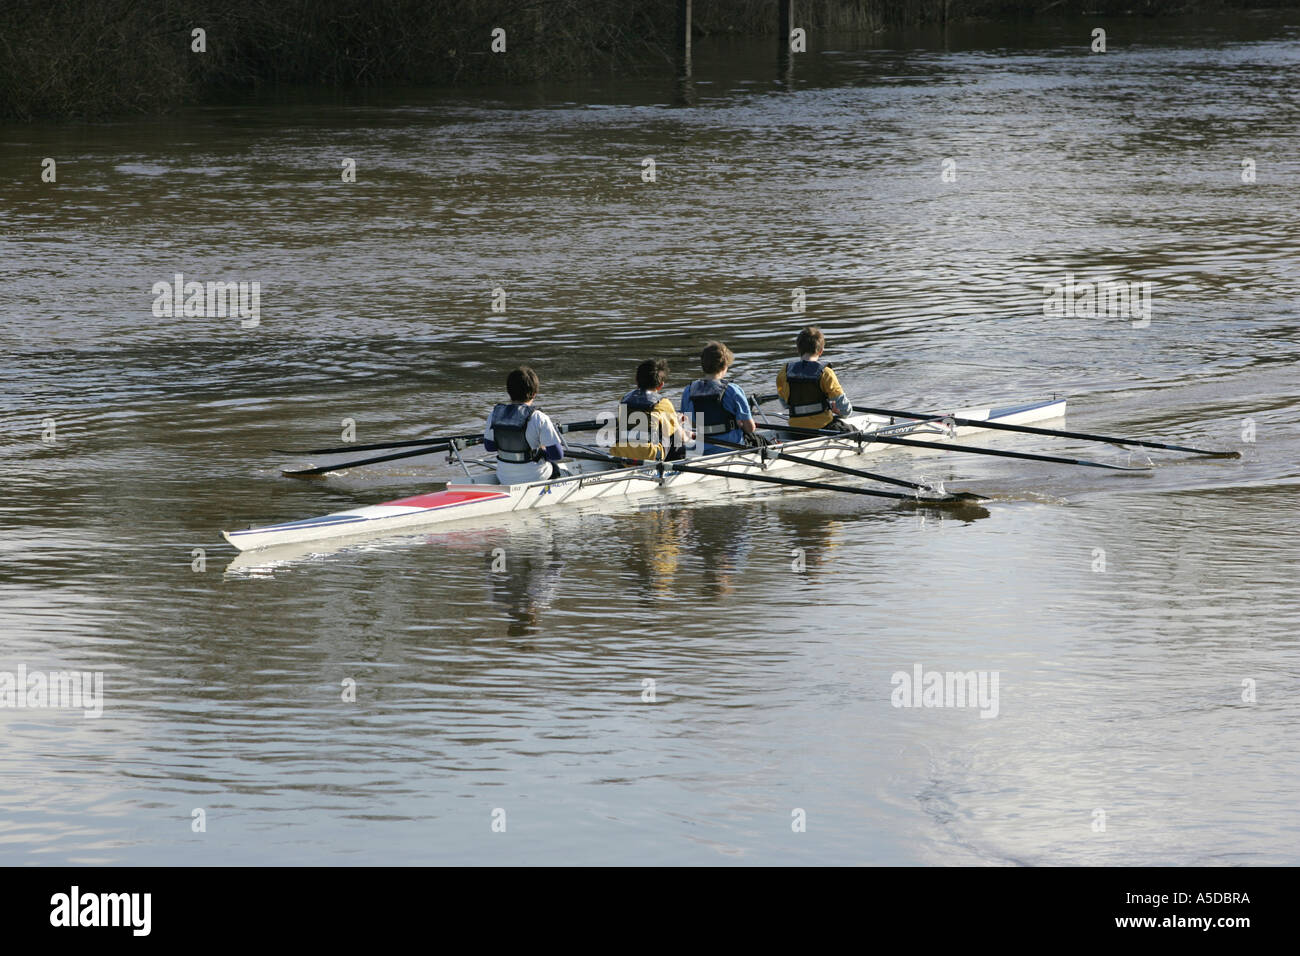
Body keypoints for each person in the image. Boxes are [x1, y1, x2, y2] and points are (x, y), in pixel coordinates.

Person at [483, 366, 566, 484]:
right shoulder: (539, 417)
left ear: (509, 392)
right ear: (535, 393)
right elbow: (557, 454)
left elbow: (489, 447)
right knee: (558, 469)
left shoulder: (494, 415)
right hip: (536, 477)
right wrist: (540, 452)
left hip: (504, 477)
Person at [681, 341, 757, 453]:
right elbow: (750, 428)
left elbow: (688, 425)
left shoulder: (688, 391)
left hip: (702, 449)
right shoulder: (733, 390)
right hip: (732, 447)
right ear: (725, 366)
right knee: (760, 441)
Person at [776, 325, 853, 431]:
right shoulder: (826, 373)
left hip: (796, 429)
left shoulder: (784, 372)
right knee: (853, 430)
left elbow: (784, 403)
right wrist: (841, 413)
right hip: (823, 428)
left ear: (798, 349)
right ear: (821, 351)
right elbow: (845, 409)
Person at [611, 358, 688, 461]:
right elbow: (680, 435)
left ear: (636, 380)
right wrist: (679, 424)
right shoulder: (663, 403)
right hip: (649, 457)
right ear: (661, 385)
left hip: (620, 455)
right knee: (677, 434)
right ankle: (676, 466)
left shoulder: (624, 400)